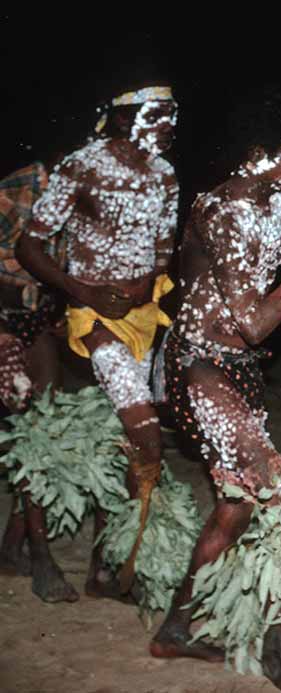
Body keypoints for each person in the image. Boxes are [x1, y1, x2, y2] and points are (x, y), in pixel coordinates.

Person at [148, 123, 281, 693]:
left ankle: (176, 628)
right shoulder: (223, 209)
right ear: (256, 153)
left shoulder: (275, 204)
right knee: (272, 494)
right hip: (199, 367)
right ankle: (277, 649)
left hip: (238, 369)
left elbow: (253, 313)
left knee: (235, 509)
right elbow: (253, 322)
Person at [16, 84, 179, 599]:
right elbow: (29, 244)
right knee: (147, 436)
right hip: (93, 318)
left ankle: (106, 567)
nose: (171, 126)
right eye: (161, 116)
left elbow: (163, 254)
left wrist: (149, 290)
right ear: (128, 117)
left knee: (126, 441)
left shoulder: (165, 175)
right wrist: (81, 290)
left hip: (146, 320)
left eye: (175, 116)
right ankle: (128, 562)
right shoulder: (83, 166)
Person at [0, 161, 75, 602]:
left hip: (33, 321)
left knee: (41, 435)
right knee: (30, 435)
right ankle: (42, 559)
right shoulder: (20, 189)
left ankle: (15, 546)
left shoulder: (89, 198)